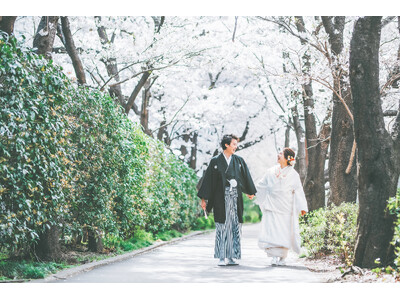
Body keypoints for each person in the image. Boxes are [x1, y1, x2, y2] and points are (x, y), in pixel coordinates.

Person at [198, 134, 257, 266]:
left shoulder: (239, 161)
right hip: (220, 198)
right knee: (222, 226)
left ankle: (232, 256)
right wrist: (204, 199)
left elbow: (245, 177)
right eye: (234, 144)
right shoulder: (215, 161)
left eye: (236, 144)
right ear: (226, 145)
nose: (236, 147)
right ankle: (221, 256)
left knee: (235, 226)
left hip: (235, 197)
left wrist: (250, 191)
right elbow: (208, 181)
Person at [254, 147, 308, 266]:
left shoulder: (293, 174)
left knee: (284, 233)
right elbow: (261, 185)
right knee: (272, 231)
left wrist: (302, 207)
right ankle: (274, 256)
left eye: (281, 153)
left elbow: (298, 190)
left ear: (287, 158)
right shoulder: (271, 171)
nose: (278, 155)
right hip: (272, 206)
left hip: (286, 207)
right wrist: (252, 192)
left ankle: (283, 257)